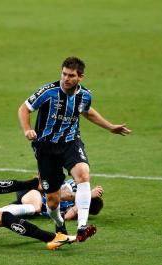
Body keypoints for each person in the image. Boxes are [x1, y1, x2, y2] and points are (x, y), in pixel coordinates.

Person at [18, 56, 131, 242]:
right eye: (64, 74)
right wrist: (27, 129)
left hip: (71, 142)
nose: (66, 78)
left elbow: (87, 111)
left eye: (71, 75)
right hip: (46, 147)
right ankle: (59, 224)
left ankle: (82, 227)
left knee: (83, 174)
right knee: (53, 202)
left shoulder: (85, 95)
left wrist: (110, 127)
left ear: (80, 77)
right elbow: (24, 108)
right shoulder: (48, 91)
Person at [0, 178, 104, 221]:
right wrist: (86, 195)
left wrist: (78, 207)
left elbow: (65, 217)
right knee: (35, 207)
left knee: (3, 214)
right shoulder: (74, 187)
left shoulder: (75, 211)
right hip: (32, 191)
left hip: (35, 202)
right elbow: (60, 195)